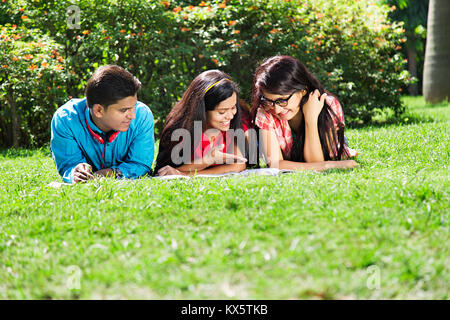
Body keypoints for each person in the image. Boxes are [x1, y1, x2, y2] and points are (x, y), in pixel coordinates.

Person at [250, 55, 359, 171]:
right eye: (269, 101)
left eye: (282, 100)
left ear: (302, 90)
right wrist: (330, 165)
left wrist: (310, 118)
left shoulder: (328, 105)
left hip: (327, 143)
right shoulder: (266, 111)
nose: (276, 110)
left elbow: (315, 161)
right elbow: (276, 164)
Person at [51, 65, 155, 183]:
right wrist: (75, 172)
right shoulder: (65, 119)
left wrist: (110, 174)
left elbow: (141, 164)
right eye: (124, 110)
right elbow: (68, 165)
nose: (132, 116)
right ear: (98, 110)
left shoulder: (142, 115)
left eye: (133, 107)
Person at [155, 70, 249, 176]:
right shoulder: (180, 129)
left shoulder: (232, 123)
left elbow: (239, 164)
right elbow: (168, 170)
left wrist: (185, 174)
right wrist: (207, 160)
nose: (230, 116)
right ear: (202, 110)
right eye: (222, 112)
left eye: (233, 107)